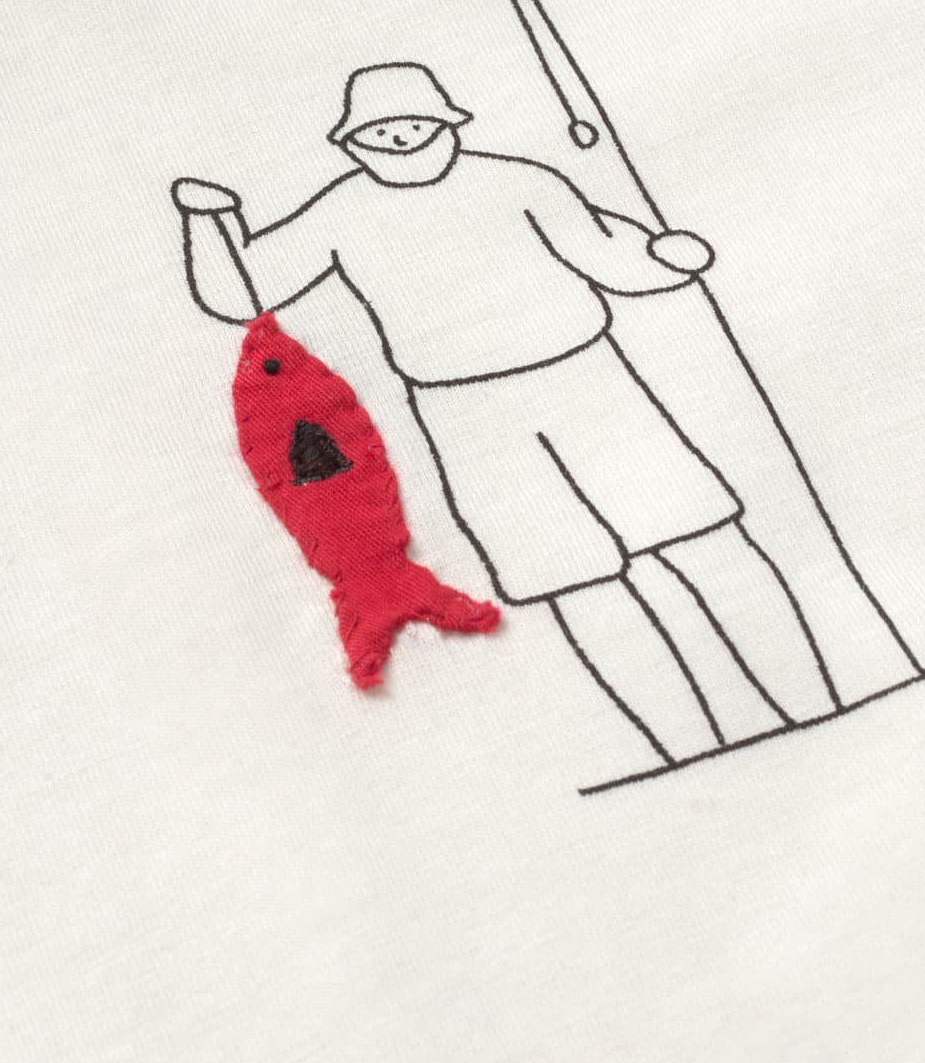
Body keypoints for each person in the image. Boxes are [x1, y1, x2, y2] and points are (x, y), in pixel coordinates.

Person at [173, 61, 840, 766]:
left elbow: (604, 251)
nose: (401, 140)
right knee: (566, 574)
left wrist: (663, 260)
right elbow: (245, 289)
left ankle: (809, 696)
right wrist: (209, 220)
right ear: (354, 142)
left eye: (415, 124)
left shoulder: (520, 181)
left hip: (586, 377)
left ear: (449, 123)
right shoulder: (339, 212)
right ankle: (681, 743)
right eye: (380, 131)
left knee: (693, 529)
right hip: (468, 412)